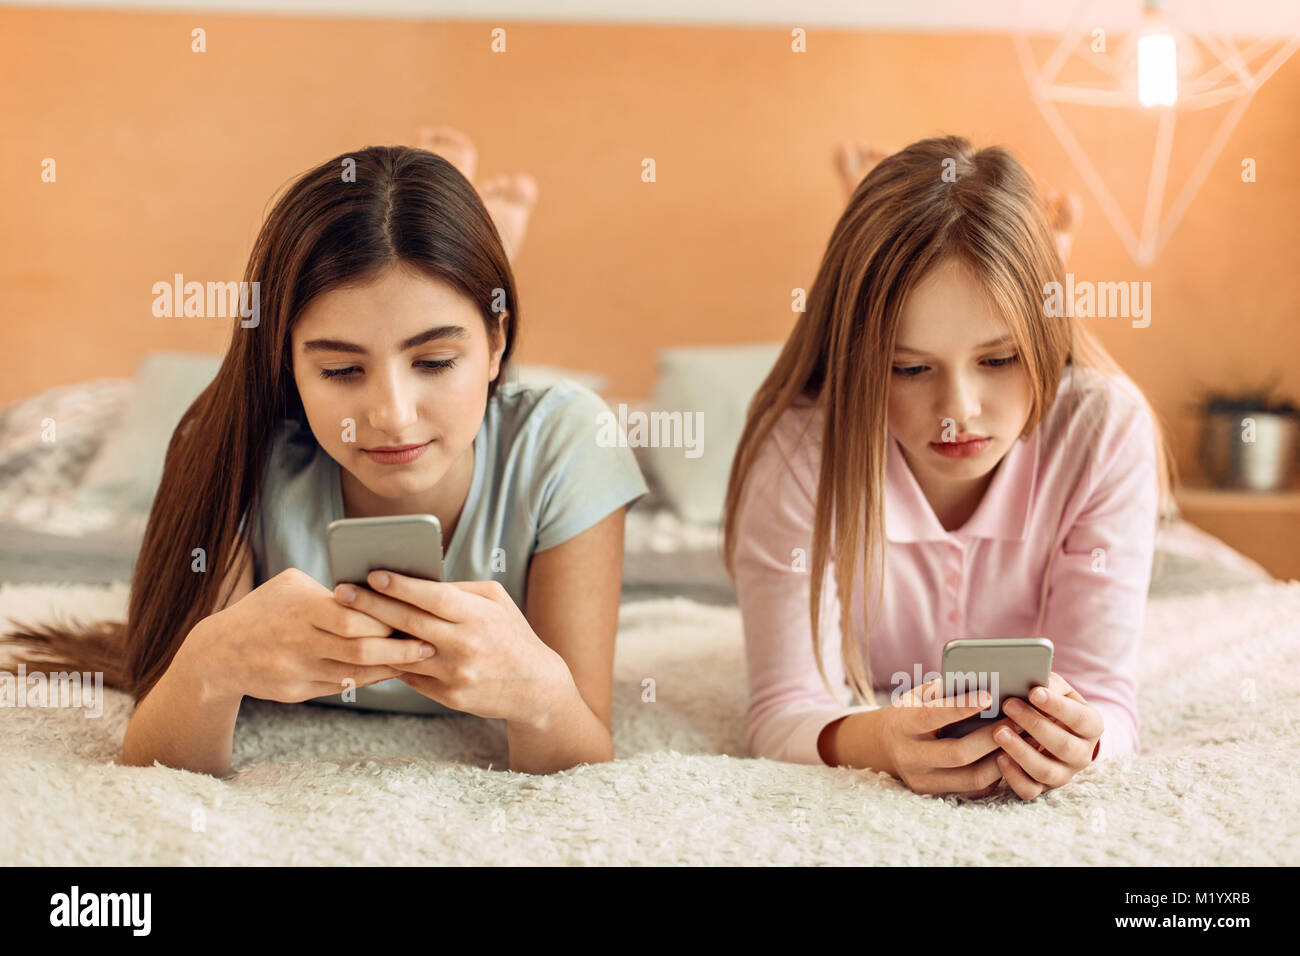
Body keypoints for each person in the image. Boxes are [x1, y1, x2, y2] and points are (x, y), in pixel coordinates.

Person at [4, 139, 646, 778]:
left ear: (498, 342)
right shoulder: (238, 444)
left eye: (434, 362)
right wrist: (210, 663)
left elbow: (581, 753)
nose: (391, 414)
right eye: (341, 369)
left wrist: (540, 694)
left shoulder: (570, 438)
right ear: (286, 362)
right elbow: (159, 759)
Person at [722, 135, 1176, 802]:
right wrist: (878, 740)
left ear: (1045, 342)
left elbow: (1106, 697)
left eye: (998, 359)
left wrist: (1089, 740)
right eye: (909, 368)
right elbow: (785, 708)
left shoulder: (1105, 431)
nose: (958, 412)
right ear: (859, 362)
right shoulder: (798, 452)